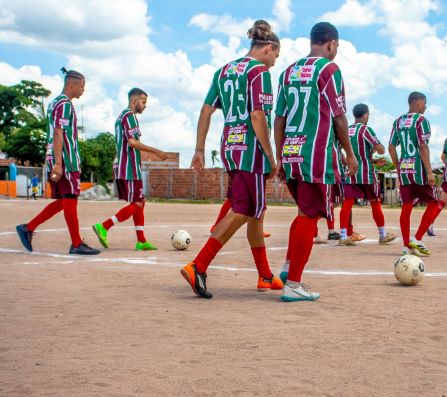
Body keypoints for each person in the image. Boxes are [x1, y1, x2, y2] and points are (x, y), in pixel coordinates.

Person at [180, 20, 283, 298]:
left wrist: (199, 149)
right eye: (276, 56)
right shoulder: (259, 72)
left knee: (256, 214)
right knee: (243, 209)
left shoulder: (223, 71)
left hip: (230, 146)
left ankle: (264, 275)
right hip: (251, 150)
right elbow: (258, 116)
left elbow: (205, 111)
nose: (274, 62)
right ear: (268, 48)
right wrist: (272, 156)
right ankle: (198, 266)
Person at [275, 22, 358, 302]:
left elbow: (279, 118)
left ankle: (288, 269)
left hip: (291, 153)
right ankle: (294, 284)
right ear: (332, 44)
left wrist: (279, 154)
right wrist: (349, 153)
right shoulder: (329, 69)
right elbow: (339, 117)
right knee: (310, 218)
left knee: (303, 213)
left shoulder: (287, 72)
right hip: (316, 156)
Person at [16, 68, 100, 255]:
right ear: (73, 84)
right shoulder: (65, 105)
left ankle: (28, 228)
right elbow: (58, 132)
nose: (83, 90)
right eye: (82, 86)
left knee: (65, 200)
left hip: (56, 157)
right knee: (70, 198)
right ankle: (76, 243)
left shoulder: (54, 103)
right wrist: (60, 164)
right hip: (66, 160)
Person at [92, 88, 168, 250]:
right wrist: (157, 151)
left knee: (140, 201)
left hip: (123, 164)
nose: (145, 106)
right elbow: (133, 142)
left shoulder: (121, 116)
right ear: (135, 101)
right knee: (138, 203)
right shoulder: (130, 116)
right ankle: (104, 226)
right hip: (129, 166)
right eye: (143, 102)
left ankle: (141, 241)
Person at [339, 103, 397, 246]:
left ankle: (342, 236)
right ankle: (382, 235)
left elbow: (337, 149)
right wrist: (379, 149)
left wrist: (347, 161)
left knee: (347, 204)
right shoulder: (365, 130)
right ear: (365, 115)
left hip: (351, 173)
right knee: (375, 202)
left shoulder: (346, 130)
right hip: (366, 174)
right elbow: (381, 149)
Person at [388, 91, 437, 257]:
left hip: (404, 169)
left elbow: (391, 147)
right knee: (434, 203)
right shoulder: (421, 121)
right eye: (425, 103)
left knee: (406, 207)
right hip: (419, 170)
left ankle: (405, 246)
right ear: (418, 103)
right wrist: (429, 171)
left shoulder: (398, 121)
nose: (426, 106)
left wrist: (398, 165)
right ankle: (417, 238)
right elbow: (423, 147)